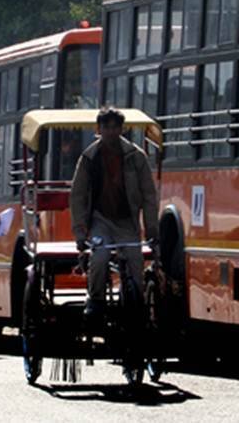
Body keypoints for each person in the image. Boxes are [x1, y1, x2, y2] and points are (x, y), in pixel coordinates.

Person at [68, 107, 159, 319]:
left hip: (127, 221)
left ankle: (138, 306)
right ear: (99, 129)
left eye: (115, 127)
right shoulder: (89, 157)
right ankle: (96, 299)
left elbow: (148, 196)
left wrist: (152, 230)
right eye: (106, 127)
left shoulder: (136, 157)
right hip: (101, 220)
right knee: (99, 258)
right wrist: (80, 234)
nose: (110, 131)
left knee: (136, 263)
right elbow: (78, 196)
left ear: (122, 129)